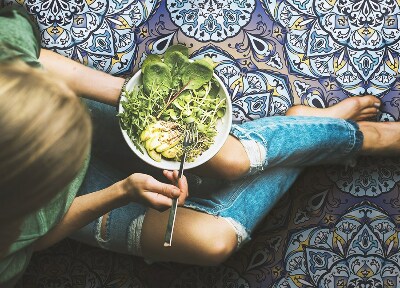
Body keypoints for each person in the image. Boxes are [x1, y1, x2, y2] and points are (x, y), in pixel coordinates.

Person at [1, 6, 400, 287]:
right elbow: (36, 237)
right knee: (214, 242)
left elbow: (30, 59)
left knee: (227, 161)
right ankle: (303, 131)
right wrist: (118, 193)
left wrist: (138, 97)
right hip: (76, 204)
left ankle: (363, 138)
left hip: (61, 111)